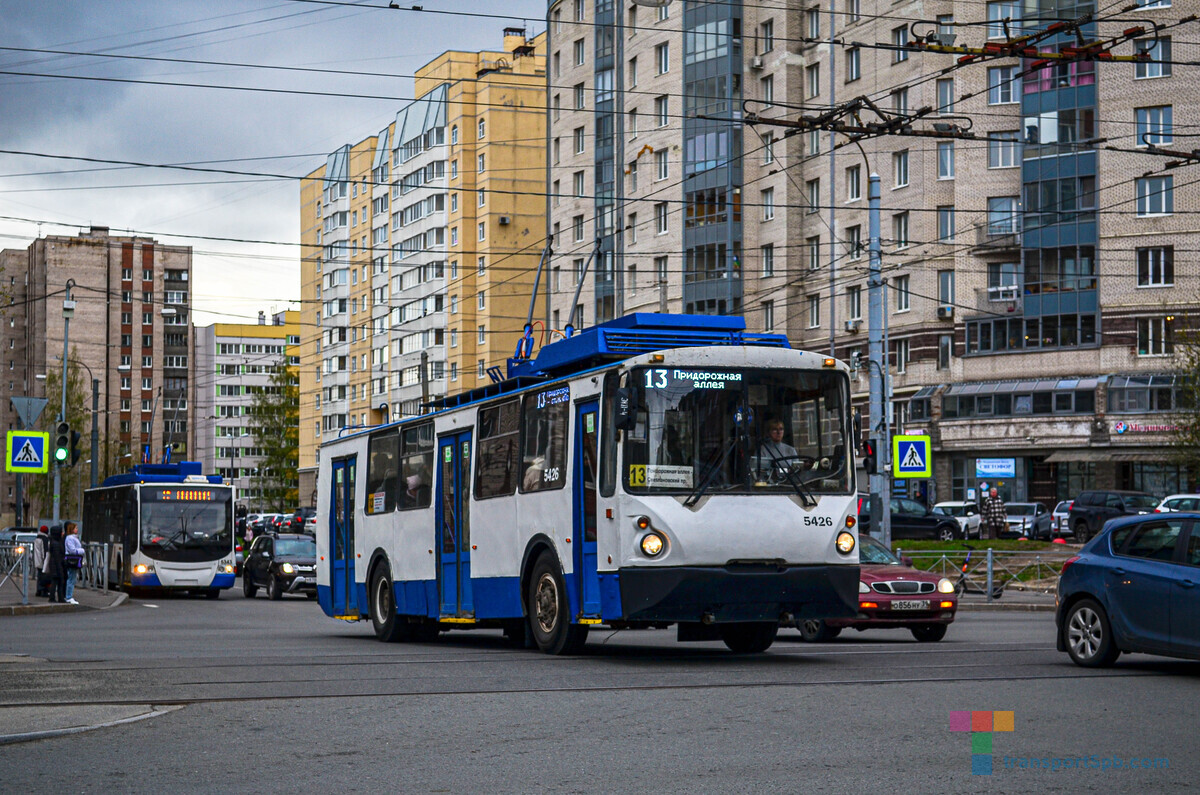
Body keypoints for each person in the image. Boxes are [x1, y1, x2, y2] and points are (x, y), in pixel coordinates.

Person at [43, 524, 66, 604]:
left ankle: (56, 597)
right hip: (56, 566)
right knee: (58, 582)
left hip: (55, 565)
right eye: (61, 532)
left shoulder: (54, 541)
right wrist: (60, 568)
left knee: (56, 582)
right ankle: (58, 598)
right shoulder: (56, 543)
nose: (62, 533)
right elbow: (57, 557)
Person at [63, 521, 84, 605]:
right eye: (76, 528)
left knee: (72, 578)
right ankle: (69, 597)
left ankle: (68, 596)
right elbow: (72, 550)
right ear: (72, 529)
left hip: (73, 559)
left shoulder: (72, 538)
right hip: (72, 560)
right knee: (71, 578)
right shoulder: (70, 538)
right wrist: (81, 551)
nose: (77, 529)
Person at [33, 525, 51, 598]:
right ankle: (44, 590)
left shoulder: (37, 538)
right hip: (42, 561)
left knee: (39, 576)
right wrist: (46, 561)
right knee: (44, 576)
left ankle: (39, 590)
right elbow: (44, 551)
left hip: (37, 560)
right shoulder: (44, 539)